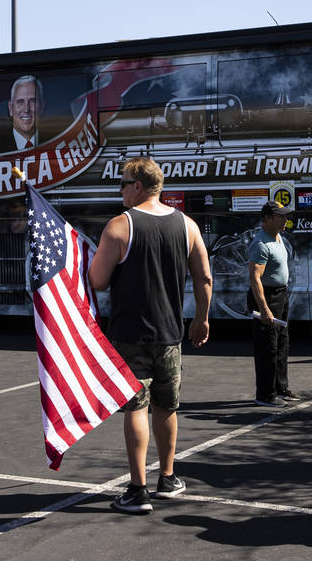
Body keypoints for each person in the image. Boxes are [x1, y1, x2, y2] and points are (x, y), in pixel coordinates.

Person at [89, 157, 212, 515]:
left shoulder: (119, 226)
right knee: (167, 406)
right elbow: (204, 277)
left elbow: (97, 281)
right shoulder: (187, 224)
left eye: (124, 184)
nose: (121, 190)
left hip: (130, 335)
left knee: (136, 409)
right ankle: (168, 478)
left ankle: (138, 489)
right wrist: (201, 320)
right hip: (170, 334)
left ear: (138, 186)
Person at [248, 200, 297, 407]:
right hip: (267, 297)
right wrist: (264, 308)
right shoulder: (261, 244)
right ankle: (265, 395)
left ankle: (280, 388)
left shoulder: (277, 238)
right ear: (267, 219)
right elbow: (254, 277)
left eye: (286, 216)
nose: (285, 219)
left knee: (281, 344)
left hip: (280, 295)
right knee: (268, 347)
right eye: (280, 216)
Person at [0, 75, 42, 153]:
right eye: (20, 102)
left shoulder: (56, 141)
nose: (26, 109)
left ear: (42, 106)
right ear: (10, 108)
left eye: (33, 101)